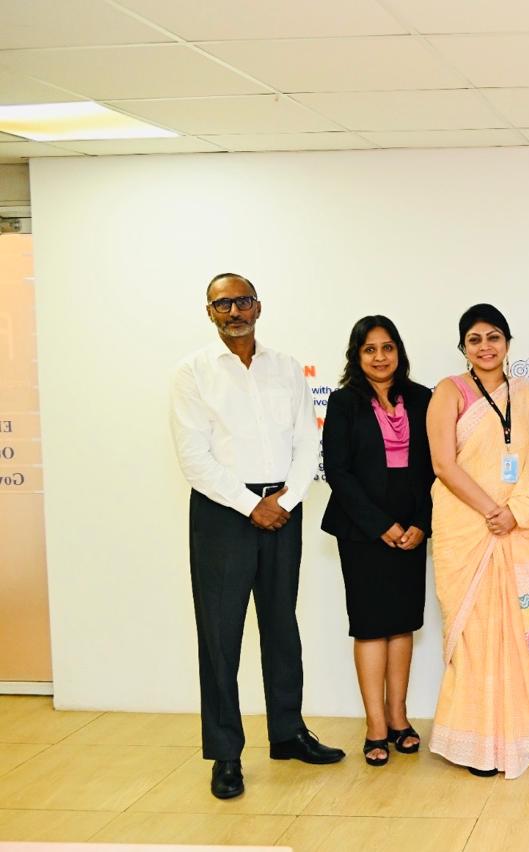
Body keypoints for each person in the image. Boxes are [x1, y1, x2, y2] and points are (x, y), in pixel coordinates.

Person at [170, 272, 344, 801]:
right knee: (220, 636)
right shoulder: (193, 372)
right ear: (209, 312)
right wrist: (251, 505)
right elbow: (194, 457)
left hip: (282, 511)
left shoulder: (286, 367)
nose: (234, 311)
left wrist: (283, 502)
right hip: (223, 514)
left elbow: (307, 443)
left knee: (281, 625)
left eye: (242, 301)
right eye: (222, 304)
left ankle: (288, 734)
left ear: (258, 307)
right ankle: (226, 754)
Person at [425, 303, 529, 778]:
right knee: (476, 639)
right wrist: (493, 511)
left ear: (508, 343)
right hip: (468, 529)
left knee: (520, 637)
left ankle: (523, 732)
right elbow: (443, 464)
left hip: (520, 532)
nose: (485, 347)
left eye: (493, 337)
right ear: (463, 347)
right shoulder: (449, 391)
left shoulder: (528, 395)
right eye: (474, 339)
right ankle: (476, 744)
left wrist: (516, 514)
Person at [320, 316, 434, 767]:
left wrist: (421, 523)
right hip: (363, 532)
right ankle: (375, 726)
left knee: (402, 624)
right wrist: (380, 525)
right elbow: (338, 471)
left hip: (413, 530)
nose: (380, 357)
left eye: (388, 347)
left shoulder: (422, 398)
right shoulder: (344, 402)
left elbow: (436, 468)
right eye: (370, 349)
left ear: (399, 351)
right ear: (357, 355)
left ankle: (399, 717)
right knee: (371, 626)